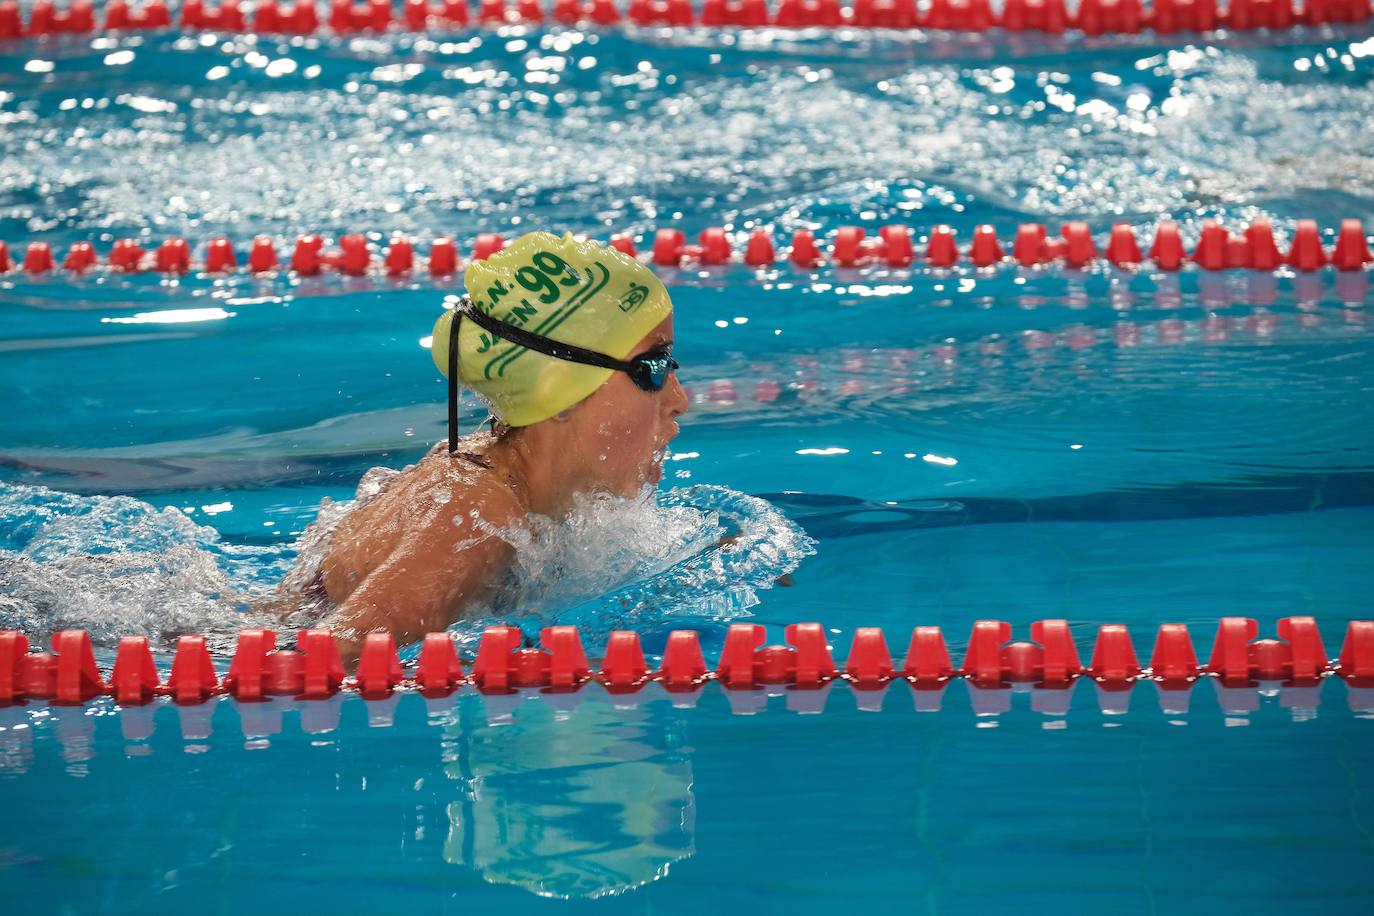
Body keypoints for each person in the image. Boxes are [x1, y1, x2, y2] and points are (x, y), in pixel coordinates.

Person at [269, 232, 688, 657]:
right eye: (652, 369)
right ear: (558, 391)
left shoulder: (523, 493)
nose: (679, 401)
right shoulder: (474, 513)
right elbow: (321, 659)